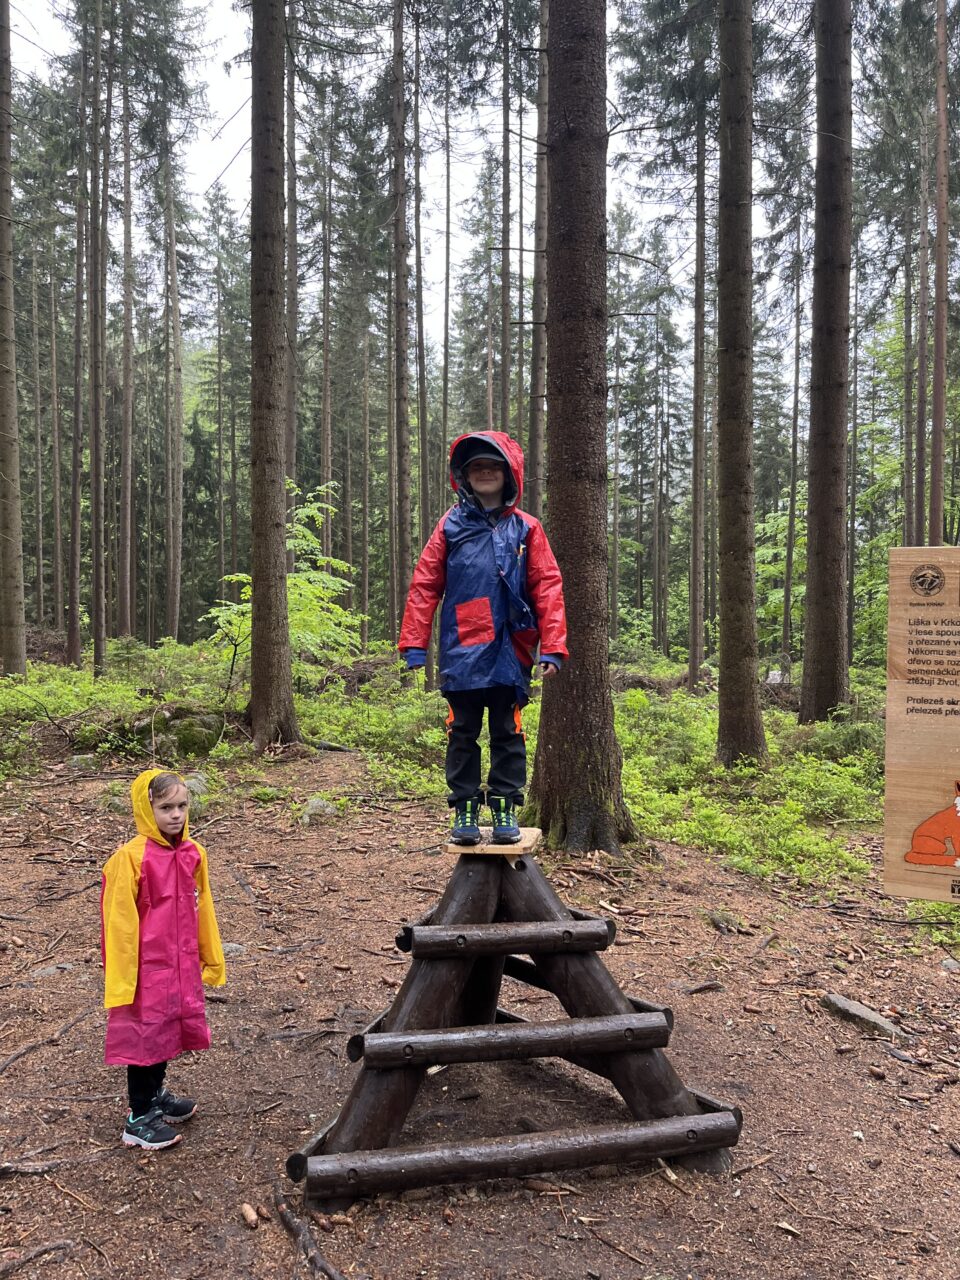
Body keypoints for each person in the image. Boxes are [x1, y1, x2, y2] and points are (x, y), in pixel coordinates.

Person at [399, 431, 567, 844]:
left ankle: (506, 808)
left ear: (509, 473)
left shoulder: (527, 528)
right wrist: (415, 643)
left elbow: (547, 586)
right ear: (464, 475)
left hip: (512, 649)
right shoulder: (450, 525)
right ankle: (465, 810)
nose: (485, 472)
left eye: (493, 466)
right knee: (462, 732)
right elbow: (425, 584)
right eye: (477, 467)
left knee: (508, 732)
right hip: (462, 648)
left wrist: (553, 645)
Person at [101, 768, 226, 1150]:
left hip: (180, 962)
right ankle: (139, 1116)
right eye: (166, 807)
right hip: (145, 968)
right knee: (145, 1035)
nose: (176, 815)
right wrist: (124, 977)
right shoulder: (130, 858)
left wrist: (209, 956)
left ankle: (155, 1095)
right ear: (147, 808)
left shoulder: (193, 853)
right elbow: (118, 923)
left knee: (168, 1030)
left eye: (182, 806)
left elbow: (203, 907)